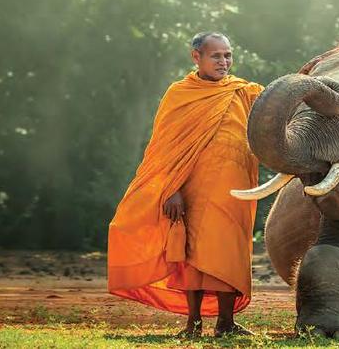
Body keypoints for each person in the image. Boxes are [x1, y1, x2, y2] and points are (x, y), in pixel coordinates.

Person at [107, 32, 264, 337]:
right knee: (192, 254)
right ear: (196, 57)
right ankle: (192, 323)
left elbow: (276, 112)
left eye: (228, 55)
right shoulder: (179, 94)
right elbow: (164, 149)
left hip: (235, 188)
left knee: (229, 251)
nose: (224, 62)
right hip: (191, 189)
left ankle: (226, 323)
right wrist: (172, 189)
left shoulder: (244, 91)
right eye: (216, 56)